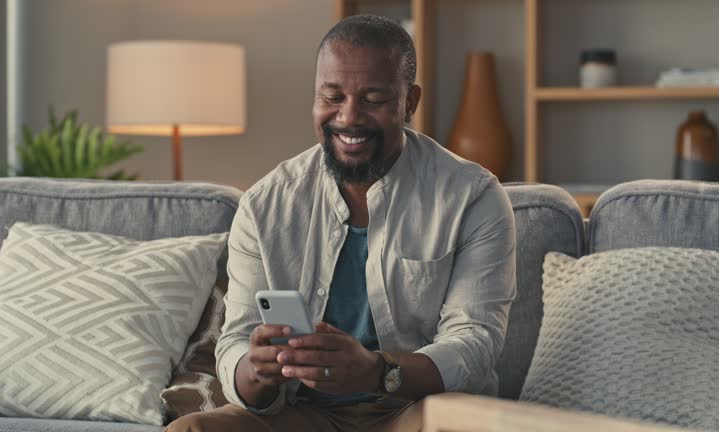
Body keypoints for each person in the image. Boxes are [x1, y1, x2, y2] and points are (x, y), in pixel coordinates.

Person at [166, 14, 516, 432]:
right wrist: (255, 370)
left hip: (415, 410)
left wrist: (375, 371)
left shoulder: (472, 197)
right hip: (300, 415)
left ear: (410, 102)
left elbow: (475, 344)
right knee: (192, 431)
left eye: (373, 99)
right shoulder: (265, 205)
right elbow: (236, 340)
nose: (349, 117)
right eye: (332, 96)